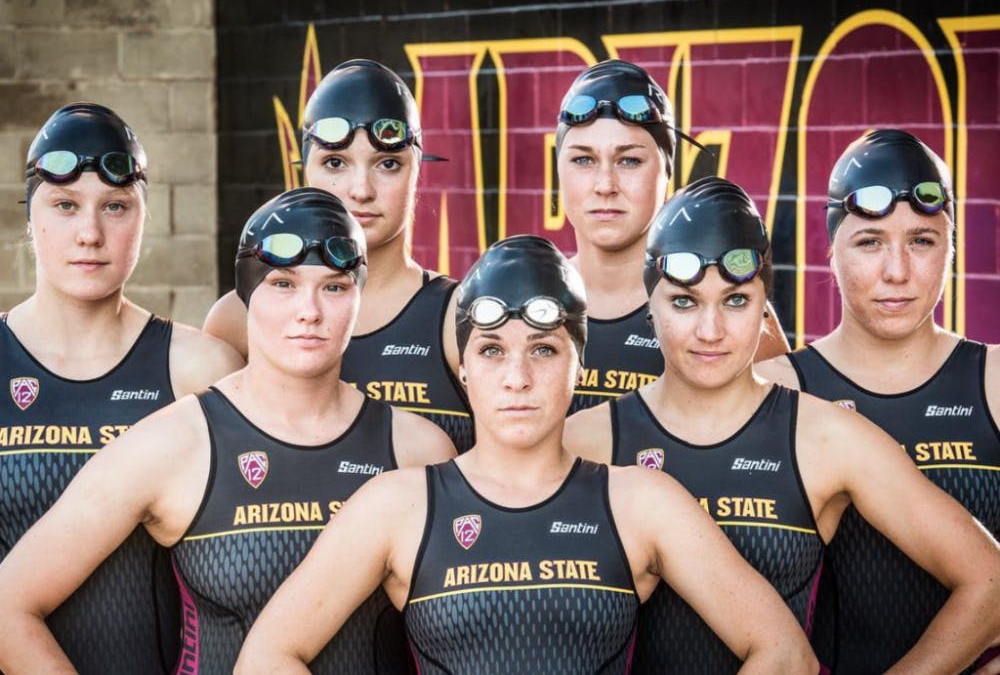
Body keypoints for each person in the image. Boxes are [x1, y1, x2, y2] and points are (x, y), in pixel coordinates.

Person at [233, 234, 818, 674]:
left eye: (543, 350)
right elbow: (267, 656)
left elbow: (786, 653)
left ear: (578, 364)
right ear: (462, 367)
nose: (517, 378)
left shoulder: (639, 501)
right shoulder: (400, 505)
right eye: (491, 350)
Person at [0, 188, 456, 674]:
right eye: (282, 284)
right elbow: (10, 606)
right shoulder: (175, 444)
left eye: (335, 287)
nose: (310, 310)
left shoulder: (417, 449)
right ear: (245, 292)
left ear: (358, 296)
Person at [563, 175, 1000, 674]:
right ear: (650, 306)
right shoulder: (587, 441)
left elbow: (989, 581)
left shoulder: (825, 436)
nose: (711, 331)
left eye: (736, 300)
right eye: (684, 301)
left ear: (765, 308)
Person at [0, 102, 243, 674]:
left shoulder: (198, 368)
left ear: (143, 217)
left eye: (115, 207)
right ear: (29, 217)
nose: (90, 233)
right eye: (64, 206)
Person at [755, 129, 1000, 673]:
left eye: (922, 240)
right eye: (869, 242)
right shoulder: (776, 387)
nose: (897, 271)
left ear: (951, 247)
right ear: (831, 251)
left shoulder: (995, 381)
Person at [204, 59, 473, 452]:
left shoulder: (458, 318)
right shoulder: (237, 319)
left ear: (417, 171)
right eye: (335, 162)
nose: (360, 189)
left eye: (388, 164)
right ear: (303, 170)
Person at [554, 59, 789, 414]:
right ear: (558, 171)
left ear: (667, 171)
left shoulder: (731, 312)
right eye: (583, 160)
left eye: (630, 161)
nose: (605, 185)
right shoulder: (524, 297)